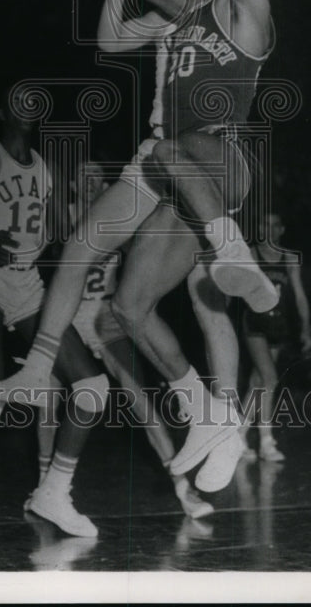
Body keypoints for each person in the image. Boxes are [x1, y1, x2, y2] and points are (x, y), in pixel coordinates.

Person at [0, 0, 280, 489]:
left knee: (170, 151)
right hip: (168, 170)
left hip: (219, 158)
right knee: (120, 299)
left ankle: (234, 253)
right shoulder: (187, 9)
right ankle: (198, 412)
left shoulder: (247, 3)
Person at [0, 86, 109, 551]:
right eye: (19, 99)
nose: (29, 105)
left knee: (93, 387)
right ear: (2, 110)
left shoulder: (47, 169)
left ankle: (54, 493)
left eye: (36, 99)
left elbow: (53, 235)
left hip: (27, 284)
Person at [66, 158, 213, 519]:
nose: (89, 184)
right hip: (69, 317)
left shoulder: (119, 213)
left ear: (105, 185)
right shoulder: (61, 213)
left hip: (106, 318)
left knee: (141, 401)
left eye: (96, 177)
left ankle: (182, 487)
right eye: (82, 177)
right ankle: (48, 485)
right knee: (47, 398)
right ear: (71, 186)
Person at [239, 210, 311, 461]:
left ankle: (237, 437)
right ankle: (266, 443)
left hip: (278, 325)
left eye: (274, 225)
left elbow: (300, 296)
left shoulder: (290, 258)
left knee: (257, 381)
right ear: (259, 229)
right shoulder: (250, 253)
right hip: (255, 322)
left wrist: (305, 328)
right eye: (264, 224)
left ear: (282, 229)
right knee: (269, 379)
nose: (269, 230)